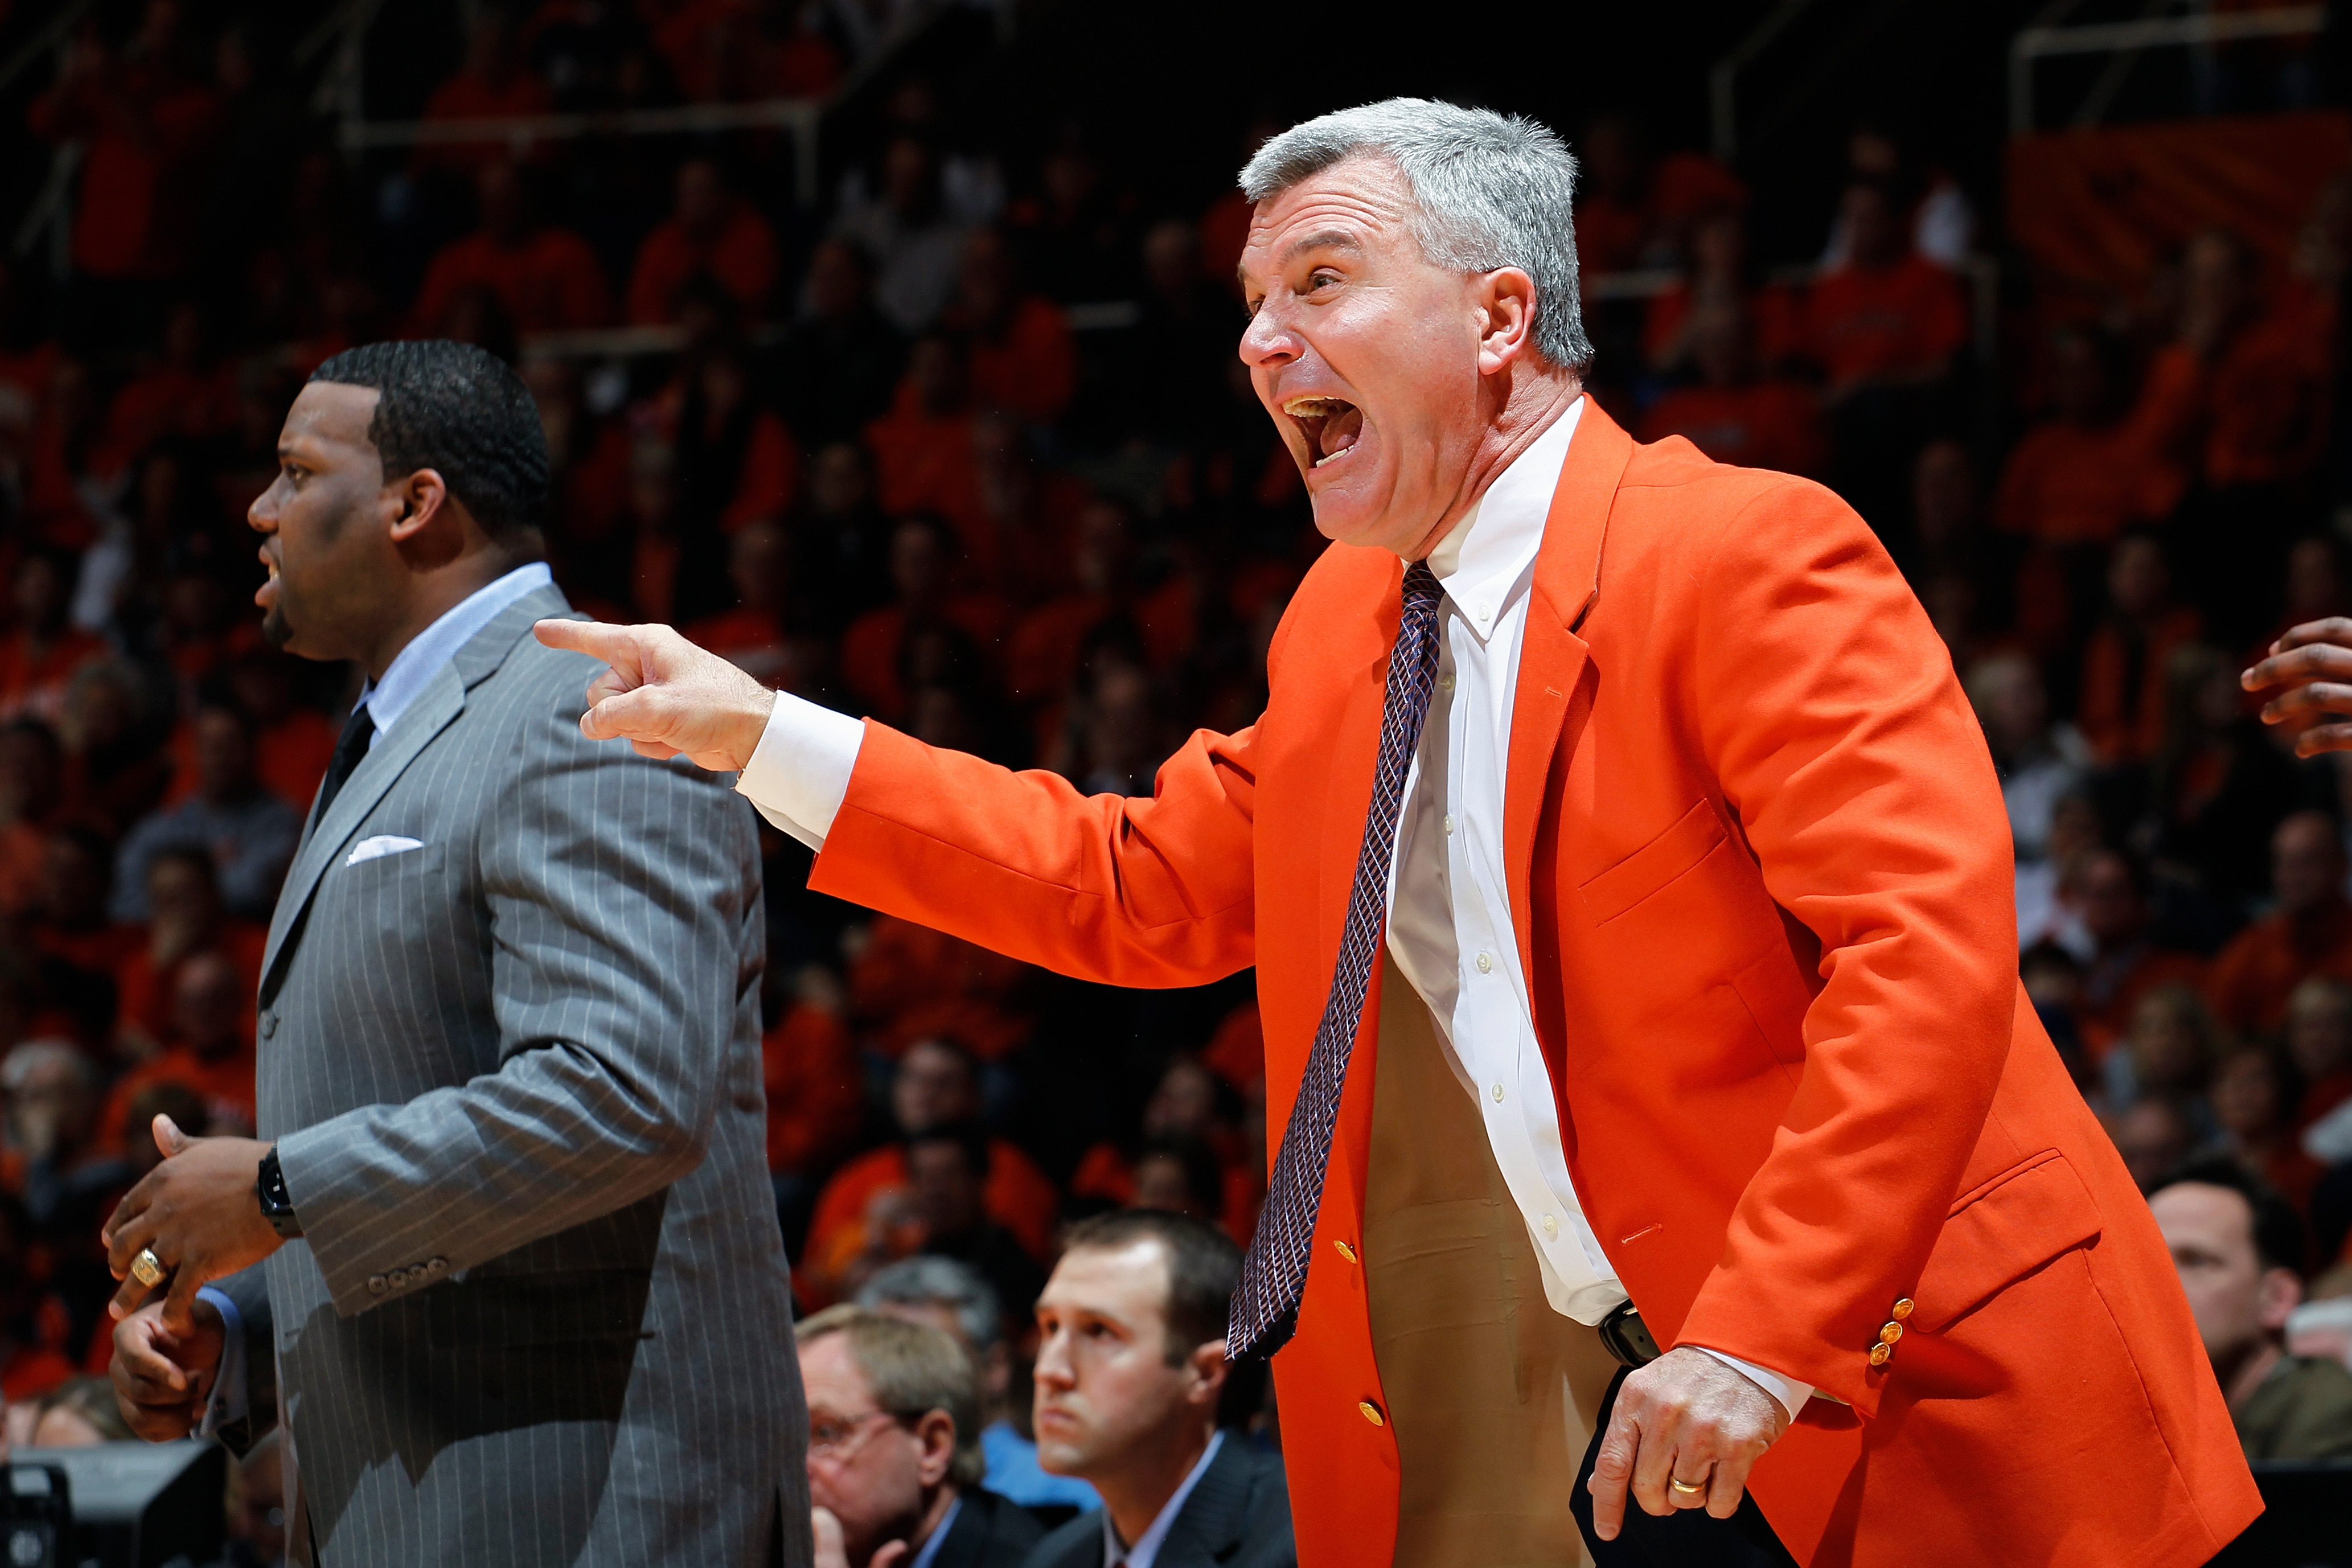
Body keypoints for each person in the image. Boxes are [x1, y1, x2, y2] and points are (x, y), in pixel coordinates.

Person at [540, 100, 2256, 1566]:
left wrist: (1760, 1334)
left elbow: (1922, 962)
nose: (1257, 339)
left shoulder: (1743, 550)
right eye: (1251, 300)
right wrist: (765, 735)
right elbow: (1138, 887)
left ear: (1501, 316)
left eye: (1321, 281)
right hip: (1627, 1423)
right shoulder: (1346, 624)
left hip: (1897, 1386)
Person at [99, 340, 808, 1565]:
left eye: (292, 471)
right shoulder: (397, 736)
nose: (258, 510)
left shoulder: (583, 708)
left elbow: (625, 1096)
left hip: (591, 1509)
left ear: (413, 505)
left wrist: (275, 1191)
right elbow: (445, 1164)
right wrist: (239, 1320)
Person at [1023, 1210, 1293, 1568]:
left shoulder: (1297, 1546)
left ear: (1205, 1373)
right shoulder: (1052, 1559)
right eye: (1051, 1327)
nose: (1049, 1371)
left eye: (1100, 1331)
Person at [855, 1255, 1104, 1514]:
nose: (905, 1376)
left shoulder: (1063, 1489)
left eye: (933, 1357)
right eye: (885, 1360)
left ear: (996, 1368)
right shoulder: (841, 1476)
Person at [798, 1304, 1043, 1568]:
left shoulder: (1030, 1562)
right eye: (785, 1443)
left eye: (826, 1432)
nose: (795, 1470)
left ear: (932, 1447)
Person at [2149, 1160, 2352, 1460]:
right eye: (2147, 1260)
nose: (2156, 1282)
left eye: (2196, 1261)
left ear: (2277, 1298)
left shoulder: (2329, 1419)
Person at [2205, 811, 2352, 1036]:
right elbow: (2217, 1032)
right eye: (2283, 863)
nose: (2294, 876)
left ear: (2341, 866)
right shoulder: (2252, 948)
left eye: (2307, 862)